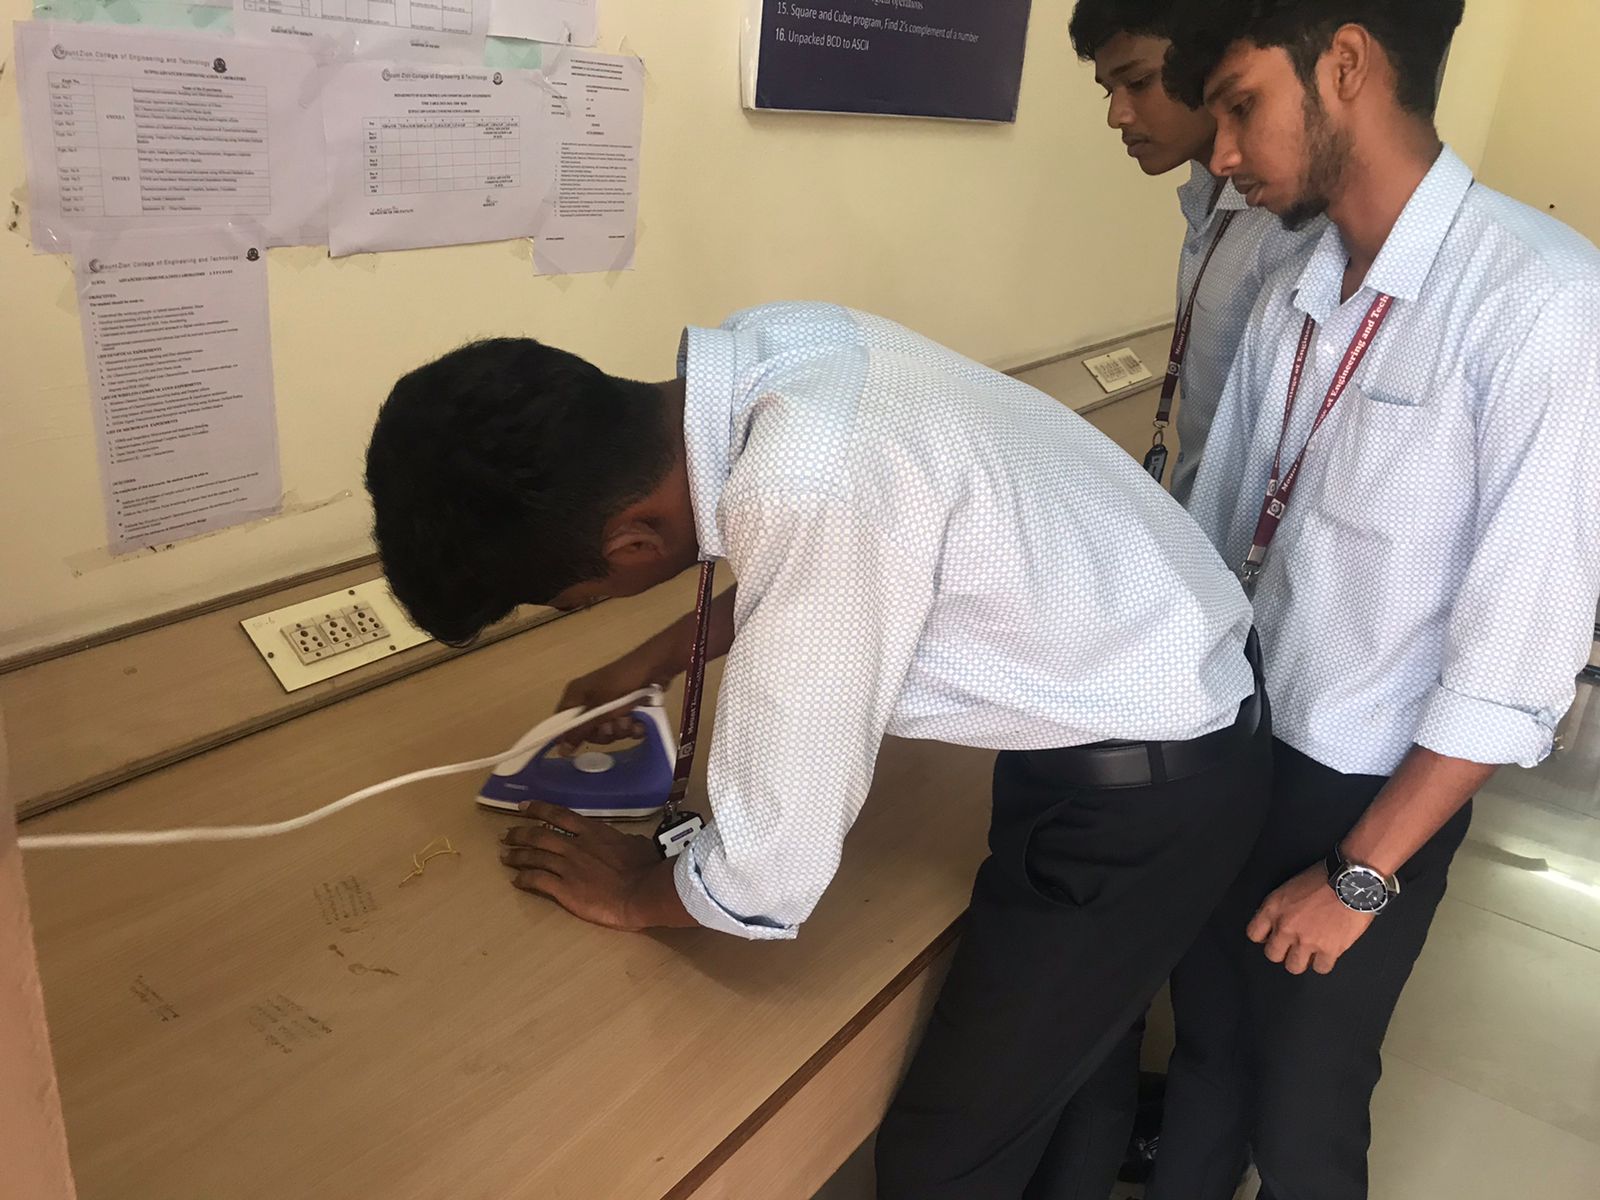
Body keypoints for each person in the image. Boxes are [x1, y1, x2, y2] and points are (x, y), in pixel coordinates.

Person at [364, 302, 1272, 1197]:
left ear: (634, 540)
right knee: (1078, 1064)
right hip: (1152, 697)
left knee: (938, 1162)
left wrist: (639, 891)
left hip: (1149, 792)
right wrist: (659, 656)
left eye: (584, 599)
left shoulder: (807, 486)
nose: (596, 609)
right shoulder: (778, 350)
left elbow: (773, 866)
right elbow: (823, 546)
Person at [1142, 4, 1600, 1198]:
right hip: (1239, 743)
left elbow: (1517, 661)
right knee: (1205, 1057)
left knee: (1303, 1112)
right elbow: (1221, 526)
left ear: (1343, 65)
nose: (1221, 153)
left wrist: (1359, 876)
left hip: (1368, 785)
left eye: (1241, 106)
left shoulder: (1540, 302)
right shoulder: (1295, 280)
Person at [1069, 0, 1324, 505]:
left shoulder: (1289, 223)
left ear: (1210, 62)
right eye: (1109, 91)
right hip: (1195, 508)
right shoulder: (1205, 195)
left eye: (1138, 82)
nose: (1117, 115)